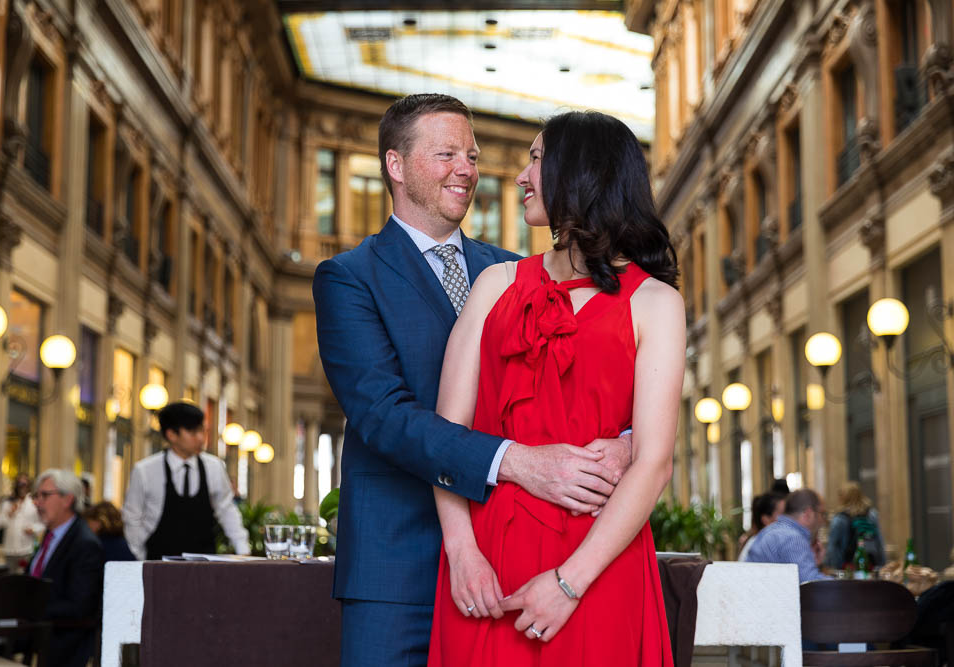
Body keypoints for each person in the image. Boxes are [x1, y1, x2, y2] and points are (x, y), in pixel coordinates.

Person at [313, 94, 633, 666]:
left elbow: (591, 378)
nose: (467, 169)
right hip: (398, 568)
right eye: (446, 154)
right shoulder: (347, 278)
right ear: (395, 165)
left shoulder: (517, 270)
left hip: (512, 559)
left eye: (472, 154)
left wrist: (629, 444)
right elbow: (385, 417)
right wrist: (517, 461)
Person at [425, 110, 684, 664]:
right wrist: (462, 550)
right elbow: (444, 436)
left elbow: (654, 463)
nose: (520, 176)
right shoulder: (494, 285)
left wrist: (568, 583)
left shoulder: (656, 304)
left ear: (582, 173)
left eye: (537, 159)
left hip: (598, 566)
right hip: (485, 570)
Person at [122, 401, 249, 560]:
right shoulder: (145, 470)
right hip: (157, 561)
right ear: (171, 435)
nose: (201, 438)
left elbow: (227, 510)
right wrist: (139, 558)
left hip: (205, 562)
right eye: (193, 432)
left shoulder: (214, 467)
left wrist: (242, 550)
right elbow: (132, 517)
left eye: (202, 431)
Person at [29, 469, 104, 667]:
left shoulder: (84, 543)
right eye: (36, 496)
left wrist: (29, 610)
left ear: (67, 499)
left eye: (44, 495)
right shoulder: (51, 535)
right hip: (34, 634)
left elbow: (80, 606)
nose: (37, 502)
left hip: (63, 644)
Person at [745, 488, 831, 582]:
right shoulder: (792, 538)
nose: (823, 521)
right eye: (822, 514)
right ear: (808, 514)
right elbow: (810, 584)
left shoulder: (777, 530)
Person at [827, 481, 885, 570]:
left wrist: (834, 568)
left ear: (843, 497)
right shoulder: (871, 514)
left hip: (848, 568)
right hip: (870, 565)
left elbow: (833, 547)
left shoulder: (839, 519)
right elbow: (879, 542)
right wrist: (881, 565)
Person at [0, 473, 43, 572]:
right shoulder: (7, 502)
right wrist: (9, 514)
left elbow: (42, 523)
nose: (22, 487)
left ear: (29, 486)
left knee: (24, 579)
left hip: (26, 550)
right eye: (20, 484)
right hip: (10, 550)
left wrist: (33, 529)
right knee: (10, 579)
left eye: (25, 484)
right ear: (16, 486)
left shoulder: (33, 504)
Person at [738, 492, 786, 561]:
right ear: (766, 519)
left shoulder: (757, 541)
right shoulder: (761, 545)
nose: (788, 519)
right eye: (782, 514)